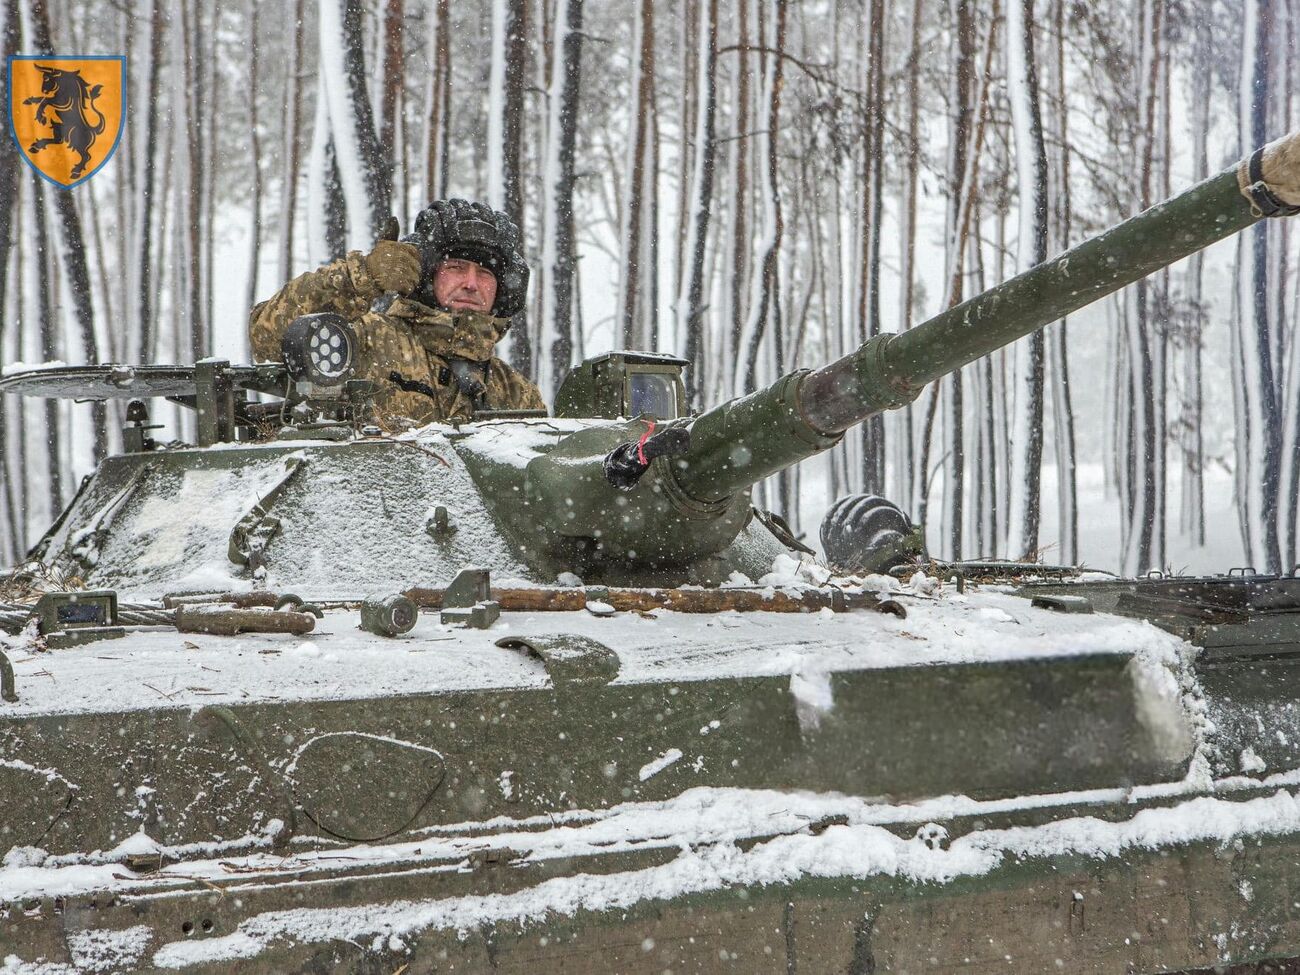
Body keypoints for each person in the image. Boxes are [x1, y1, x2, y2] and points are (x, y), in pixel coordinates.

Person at [250, 199, 545, 426]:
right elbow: (268, 335)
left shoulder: (515, 391)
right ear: (428, 275)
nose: (471, 283)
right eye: (456, 267)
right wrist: (361, 276)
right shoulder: (367, 341)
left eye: (484, 273)